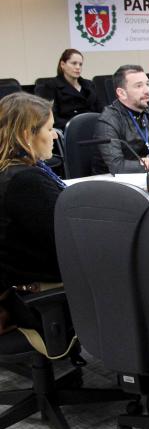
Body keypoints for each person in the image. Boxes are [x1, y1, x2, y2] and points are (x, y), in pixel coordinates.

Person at [0, 93, 66, 292]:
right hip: (44, 285)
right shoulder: (26, 181)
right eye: (49, 128)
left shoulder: (12, 171)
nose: (55, 135)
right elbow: (66, 239)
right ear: (27, 135)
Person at [36, 49, 103, 130]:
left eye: (80, 64)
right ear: (62, 64)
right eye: (74, 63)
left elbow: (101, 110)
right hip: (69, 131)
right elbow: (52, 117)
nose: (78, 67)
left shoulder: (89, 85)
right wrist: (75, 126)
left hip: (94, 128)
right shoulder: (51, 86)